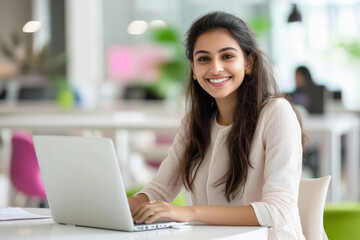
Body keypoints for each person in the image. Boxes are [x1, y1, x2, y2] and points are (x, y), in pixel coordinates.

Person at [128, 11, 306, 240]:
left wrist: (189, 213)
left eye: (227, 56)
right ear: (193, 68)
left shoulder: (276, 113)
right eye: (203, 59)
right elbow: (159, 190)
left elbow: (277, 212)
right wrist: (115, 207)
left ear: (248, 61)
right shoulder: (195, 121)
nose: (216, 68)